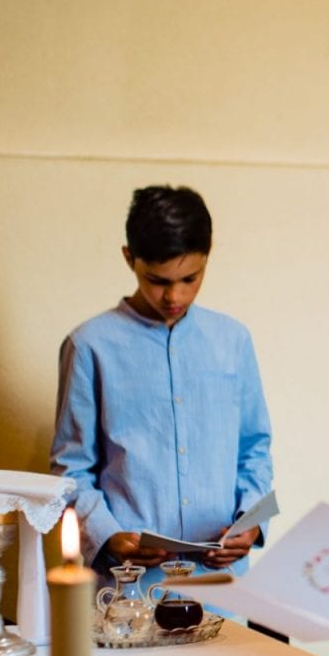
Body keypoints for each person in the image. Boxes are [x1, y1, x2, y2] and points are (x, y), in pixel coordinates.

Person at [51, 185, 273, 578]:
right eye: (157, 280)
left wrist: (251, 525)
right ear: (128, 258)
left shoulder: (233, 341)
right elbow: (71, 470)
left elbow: (255, 451)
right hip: (126, 590)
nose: (175, 295)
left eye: (191, 277)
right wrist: (108, 535)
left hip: (221, 589)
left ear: (208, 258)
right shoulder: (89, 346)